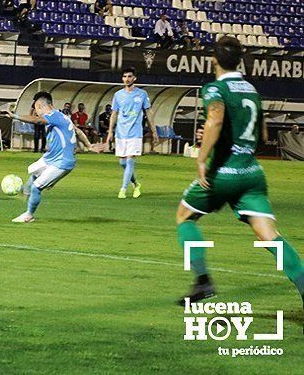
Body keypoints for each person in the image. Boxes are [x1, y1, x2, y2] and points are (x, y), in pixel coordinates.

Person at [175, 35, 304, 311]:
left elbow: (216, 117)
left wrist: (202, 157)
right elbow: (262, 133)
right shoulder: (251, 90)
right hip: (252, 173)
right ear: (240, 61)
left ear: (213, 60)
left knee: (185, 216)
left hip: (224, 172)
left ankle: (203, 280)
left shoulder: (214, 88)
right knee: (271, 236)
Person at [5, 91, 94, 223]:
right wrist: (89, 145)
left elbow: (37, 121)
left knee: (36, 187)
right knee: (33, 171)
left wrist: (15, 116)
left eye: (35, 108)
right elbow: (78, 131)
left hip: (62, 162)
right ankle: (26, 193)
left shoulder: (53, 115)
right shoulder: (62, 116)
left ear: (40, 105)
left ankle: (29, 215)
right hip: (50, 158)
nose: (36, 112)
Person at [106, 66, 161, 199]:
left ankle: (123, 189)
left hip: (135, 133)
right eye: (125, 76)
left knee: (130, 161)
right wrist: (110, 132)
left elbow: (148, 112)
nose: (127, 79)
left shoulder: (142, 94)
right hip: (121, 133)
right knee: (122, 163)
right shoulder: (118, 95)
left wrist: (154, 132)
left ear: (134, 78)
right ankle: (136, 184)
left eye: (129, 76)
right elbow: (114, 114)